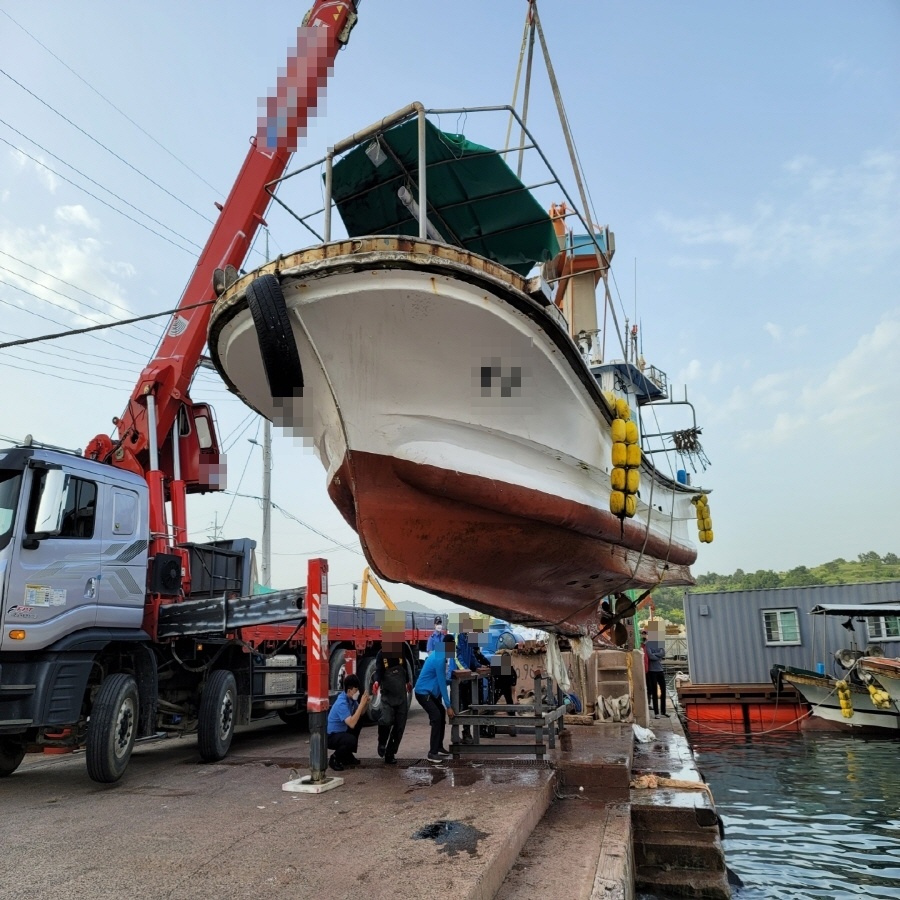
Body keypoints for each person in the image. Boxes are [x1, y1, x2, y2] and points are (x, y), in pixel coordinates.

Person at [372, 629, 411, 765]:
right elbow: (378, 671)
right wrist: (376, 682)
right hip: (388, 695)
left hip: (401, 696)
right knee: (386, 720)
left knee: (400, 726)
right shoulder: (381, 655)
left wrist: (408, 682)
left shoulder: (400, 651)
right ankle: (381, 743)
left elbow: (405, 668)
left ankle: (390, 753)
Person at [414, 633, 455, 761]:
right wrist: (448, 706)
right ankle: (432, 752)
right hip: (422, 692)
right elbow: (442, 683)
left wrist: (452, 681)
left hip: (429, 692)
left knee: (440, 713)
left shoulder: (440, 655)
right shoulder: (439, 658)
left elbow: (439, 679)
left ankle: (438, 747)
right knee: (437, 717)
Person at [450, 619, 490, 742]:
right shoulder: (457, 636)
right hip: (458, 677)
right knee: (457, 706)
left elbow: (472, 656)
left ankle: (466, 732)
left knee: (468, 705)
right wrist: (465, 670)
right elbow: (456, 655)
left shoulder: (469, 638)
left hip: (466, 677)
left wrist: (478, 666)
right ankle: (455, 735)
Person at [326, 674, 369, 771]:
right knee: (350, 740)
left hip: (342, 731)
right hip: (331, 736)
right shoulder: (342, 703)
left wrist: (365, 704)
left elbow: (360, 712)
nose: (357, 692)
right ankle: (335, 759)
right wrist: (362, 704)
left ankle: (347, 755)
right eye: (356, 690)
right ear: (349, 691)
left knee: (360, 720)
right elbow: (351, 723)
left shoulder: (351, 699)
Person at [645, 635, 668, 719]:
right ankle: (656, 713)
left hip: (660, 670)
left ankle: (663, 711)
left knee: (664, 690)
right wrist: (658, 656)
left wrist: (655, 655)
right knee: (654, 692)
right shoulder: (647, 644)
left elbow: (663, 653)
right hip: (652, 671)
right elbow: (650, 656)